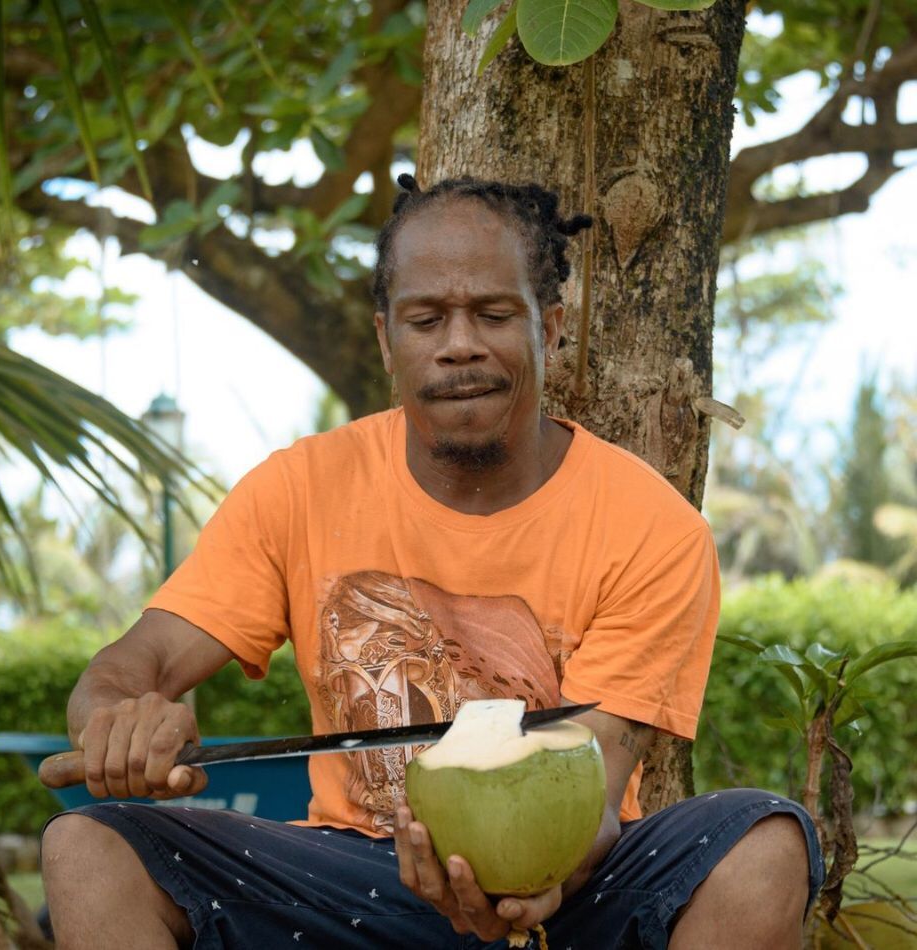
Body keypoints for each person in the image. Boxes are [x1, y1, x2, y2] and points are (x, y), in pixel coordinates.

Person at [41, 175, 824, 949]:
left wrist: (534, 882)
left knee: (762, 843)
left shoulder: (653, 527)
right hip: (352, 876)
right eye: (426, 319)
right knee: (86, 848)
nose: (459, 345)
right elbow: (130, 663)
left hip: (571, 884)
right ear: (387, 339)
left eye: (492, 314)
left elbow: (598, 781)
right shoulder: (298, 488)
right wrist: (117, 719)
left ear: (548, 329)